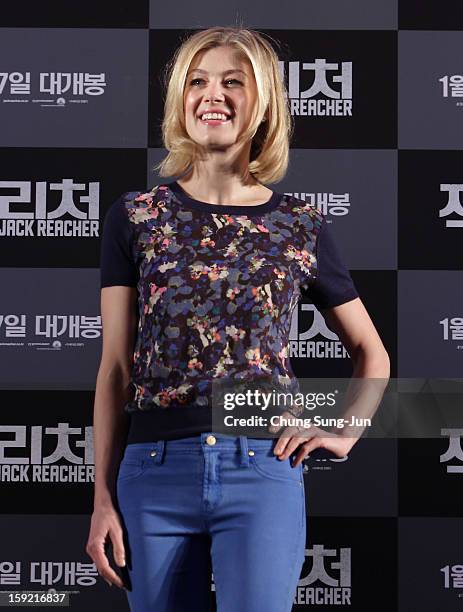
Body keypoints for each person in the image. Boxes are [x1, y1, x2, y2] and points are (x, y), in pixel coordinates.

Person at [85, 26, 390, 612]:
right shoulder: (137, 216)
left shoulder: (300, 225)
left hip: (262, 469)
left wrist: (346, 432)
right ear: (180, 99)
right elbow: (116, 369)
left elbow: (372, 353)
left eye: (232, 81)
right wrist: (102, 497)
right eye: (196, 82)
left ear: (263, 102)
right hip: (152, 472)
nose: (212, 95)